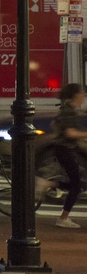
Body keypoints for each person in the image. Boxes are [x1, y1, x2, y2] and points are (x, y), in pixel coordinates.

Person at [53, 83, 87, 229]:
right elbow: (69, 133)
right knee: (77, 185)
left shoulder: (66, 109)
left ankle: (49, 184)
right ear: (76, 95)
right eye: (82, 93)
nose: (84, 96)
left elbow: (54, 125)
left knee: (77, 183)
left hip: (64, 149)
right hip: (66, 150)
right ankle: (63, 218)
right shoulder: (70, 111)